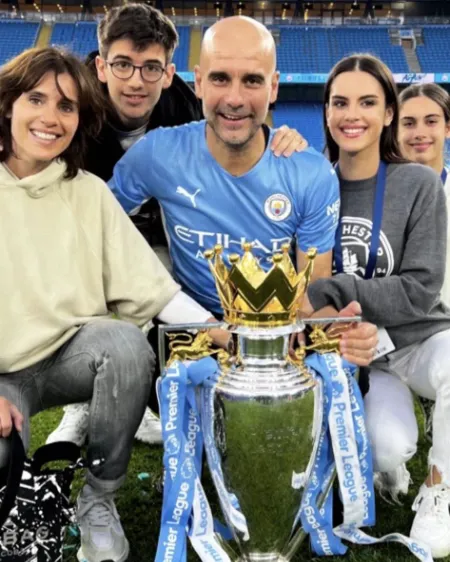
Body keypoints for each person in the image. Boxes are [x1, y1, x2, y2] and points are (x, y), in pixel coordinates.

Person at [47, 3, 309, 447]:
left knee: (166, 306)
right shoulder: (76, 114)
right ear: (101, 66)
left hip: (157, 233)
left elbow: (237, 125)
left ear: (169, 73)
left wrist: (278, 135)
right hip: (89, 225)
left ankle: (157, 397)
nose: (135, 80)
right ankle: (82, 406)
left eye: (151, 68)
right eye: (123, 65)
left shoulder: (186, 111)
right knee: (84, 283)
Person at [0, 46, 222, 562]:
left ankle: (98, 500)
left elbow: (152, 287)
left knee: (125, 346)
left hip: (66, 356)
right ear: (9, 103)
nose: (51, 119)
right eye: (37, 99)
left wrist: (220, 330)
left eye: (67, 106)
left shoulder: (89, 193)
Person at [108, 16, 379, 367]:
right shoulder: (156, 155)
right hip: (194, 330)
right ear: (200, 82)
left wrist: (338, 329)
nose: (234, 99)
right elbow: (98, 222)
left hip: (277, 335)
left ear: (274, 87)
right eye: (220, 78)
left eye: (252, 80)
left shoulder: (311, 175)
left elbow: (310, 298)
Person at [301, 53, 450, 558]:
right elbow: (299, 290)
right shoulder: (309, 182)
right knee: (384, 447)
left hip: (417, 340)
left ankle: (438, 488)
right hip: (355, 355)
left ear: (389, 113)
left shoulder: (418, 184)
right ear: (325, 112)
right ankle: (395, 465)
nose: (352, 115)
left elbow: (420, 288)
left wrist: (339, 289)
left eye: (368, 102)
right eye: (340, 102)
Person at [398, 83, 450, 306]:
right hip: (390, 333)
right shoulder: (377, 194)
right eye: (408, 123)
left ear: (447, 128)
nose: (420, 133)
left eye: (431, 122)